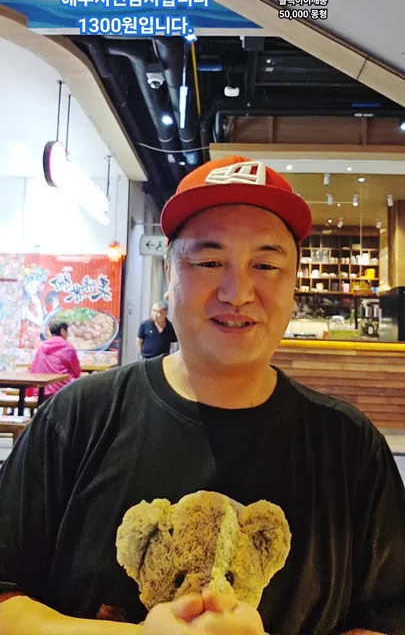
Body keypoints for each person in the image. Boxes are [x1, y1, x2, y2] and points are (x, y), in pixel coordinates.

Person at [0, 155, 404, 635]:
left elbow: (386, 617)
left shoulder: (350, 446)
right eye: (210, 262)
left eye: (266, 264)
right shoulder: (78, 418)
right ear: (169, 275)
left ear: (293, 285)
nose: (237, 292)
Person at [28, 320, 81, 399]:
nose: (67, 335)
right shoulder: (68, 347)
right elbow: (77, 371)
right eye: (67, 332)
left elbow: (33, 368)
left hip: (40, 392)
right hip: (62, 392)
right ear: (62, 331)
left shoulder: (42, 347)